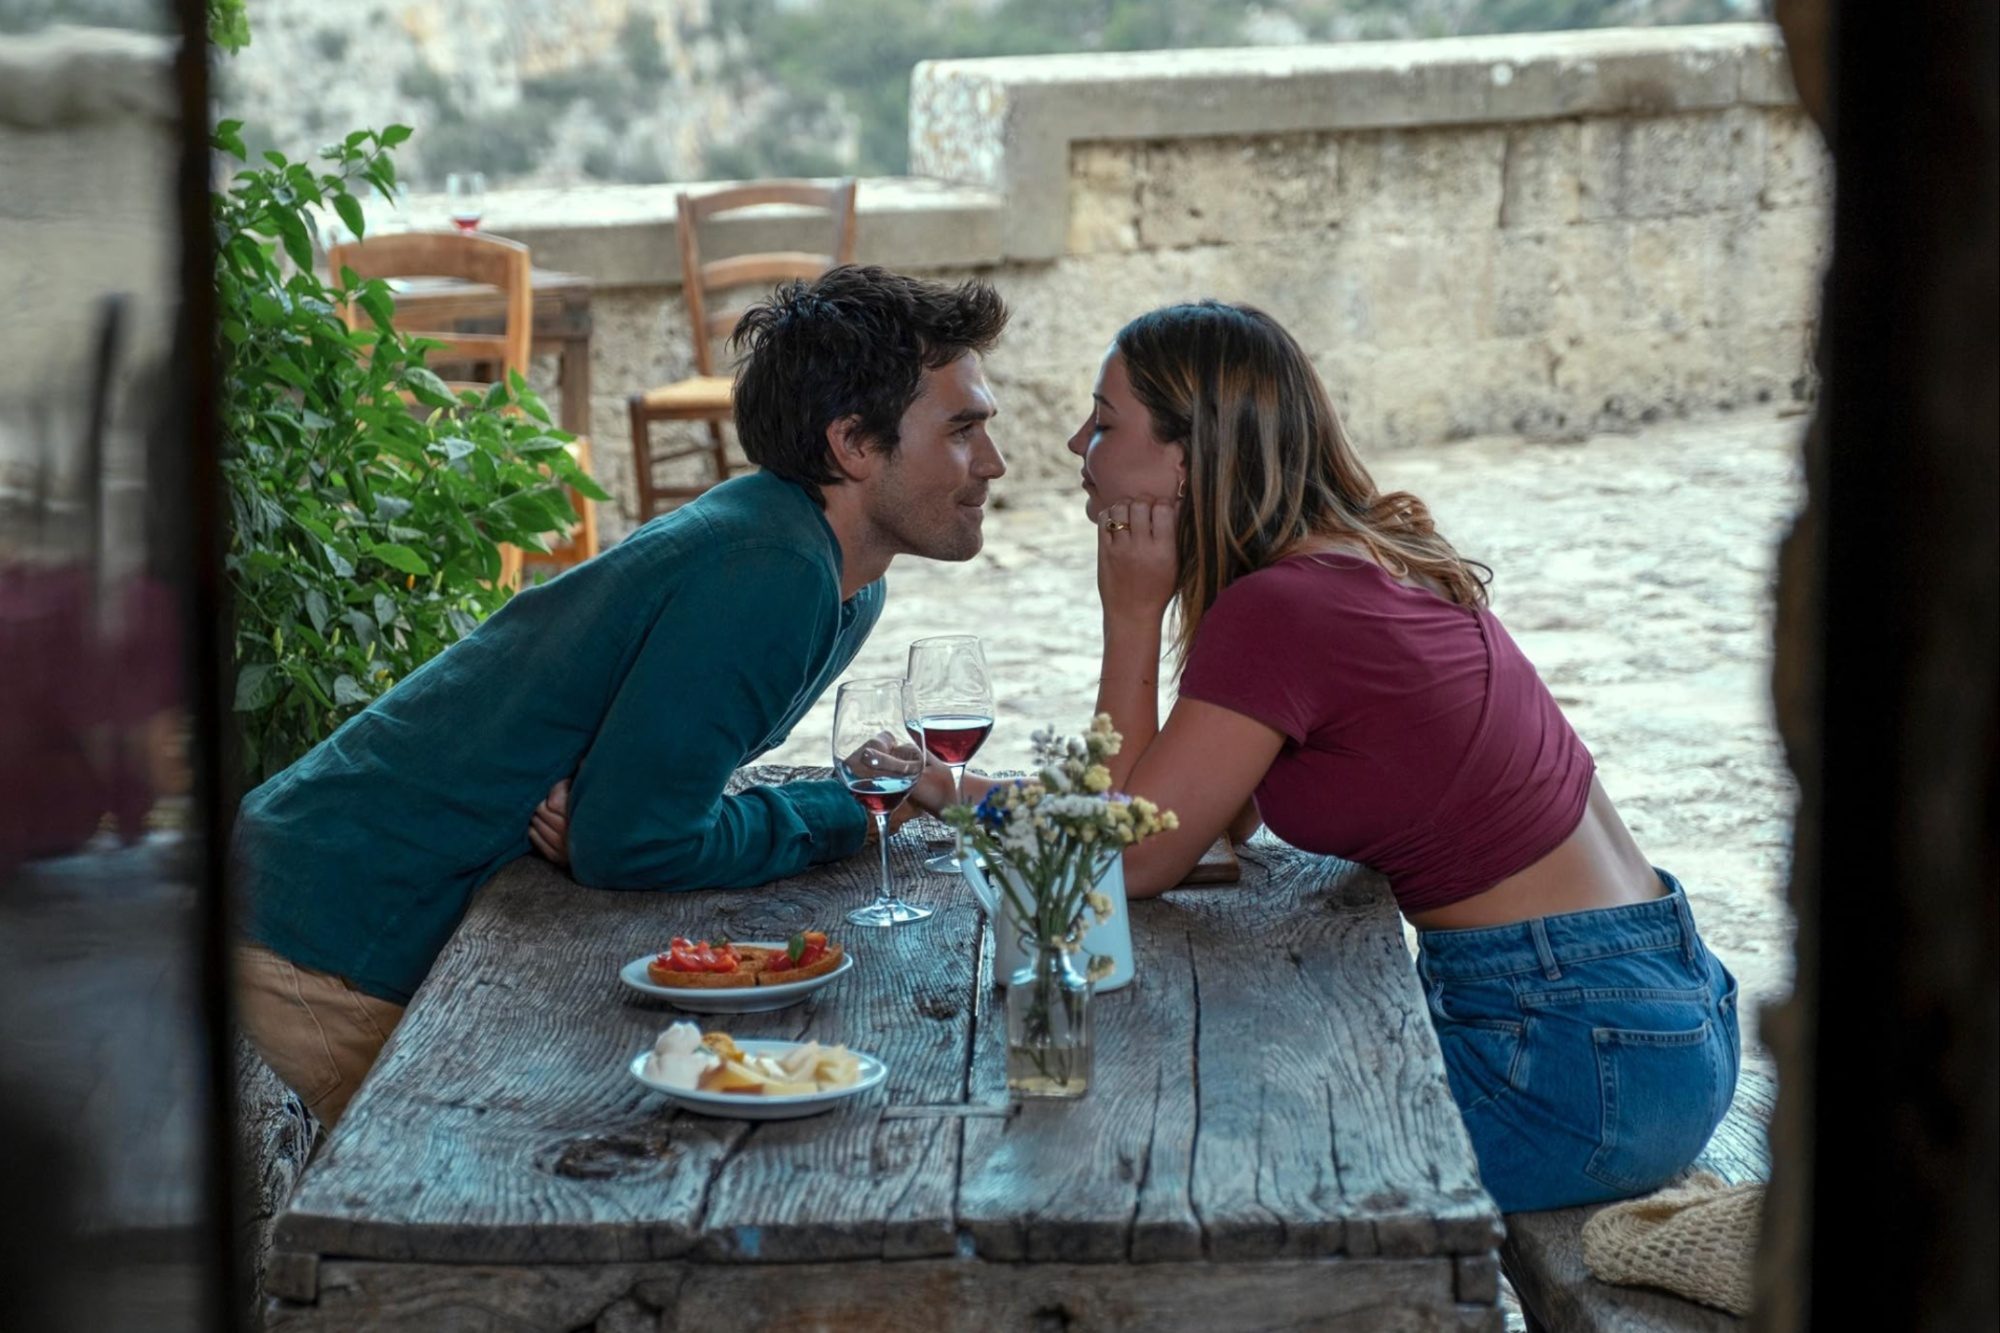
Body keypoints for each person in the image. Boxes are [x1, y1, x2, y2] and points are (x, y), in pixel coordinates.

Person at [925, 299, 1740, 1213]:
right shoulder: (1355, 554)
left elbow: (1132, 856)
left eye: (1106, 421)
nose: (1080, 442)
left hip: (1568, 1059)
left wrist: (1129, 616)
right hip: (1655, 1011)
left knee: (1194, 1164)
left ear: (1190, 458)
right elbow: (1209, 812)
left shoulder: (1283, 609)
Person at [233, 266, 1005, 1128]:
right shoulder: (773, 569)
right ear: (854, 444)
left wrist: (628, 814)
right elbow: (637, 841)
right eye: (964, 430)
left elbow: (635, 813)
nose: (994, 462)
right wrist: (856, 811)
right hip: (320, 948)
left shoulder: (840, 581)